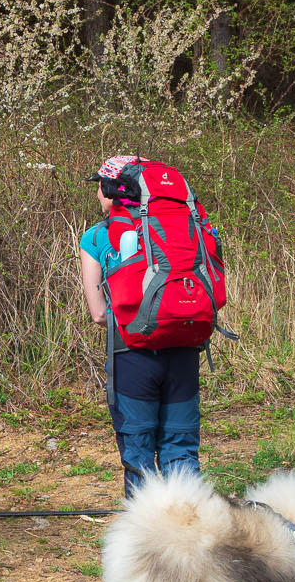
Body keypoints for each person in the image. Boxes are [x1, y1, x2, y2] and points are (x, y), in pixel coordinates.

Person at [77, 154, 203, 496]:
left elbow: (99, 314)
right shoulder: (182, 227)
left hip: (132, 354)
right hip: (184, 347)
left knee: (139, 455)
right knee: (181, 448)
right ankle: (194, 538)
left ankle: (149, 540)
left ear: (109, 190)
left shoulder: (96, 237)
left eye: (99, 188)